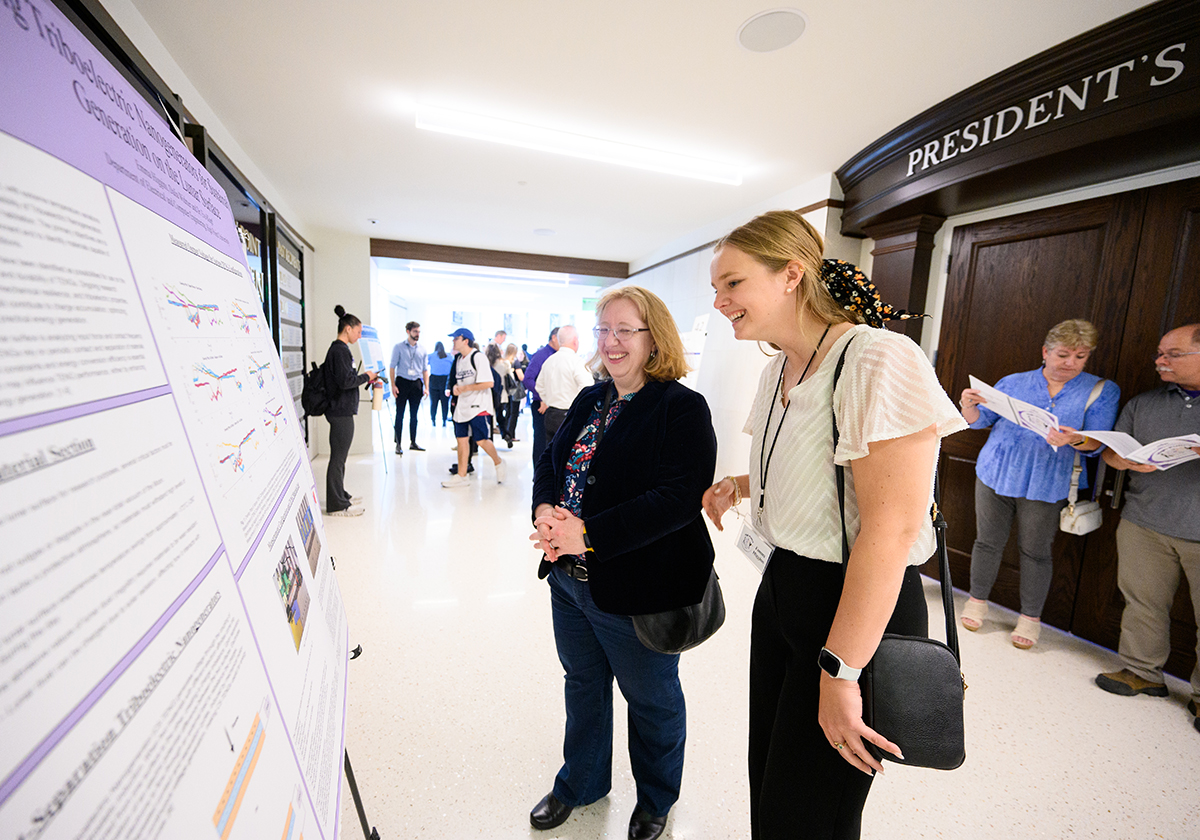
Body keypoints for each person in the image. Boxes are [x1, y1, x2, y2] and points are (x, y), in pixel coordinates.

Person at [701, 211, 965, 840]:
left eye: (732, 284)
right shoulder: (778, 369)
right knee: (769, 783)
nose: (719, 303)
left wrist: (842, 670)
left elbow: (892, 530)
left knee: (812, 813)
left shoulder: (877, 359)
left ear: (791, 274)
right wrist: (742, 486)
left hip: (853, 603)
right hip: (785, 589)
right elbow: (814, 468)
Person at [528, 286, 717, 840]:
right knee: (583, 683)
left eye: (624, 330)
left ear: (653, 336)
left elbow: (677, 499)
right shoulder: (591, 399)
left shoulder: (681, 408)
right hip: (568, 582)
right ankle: (581, 784)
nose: (611, 342)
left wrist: (585, 532)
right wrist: (544, 507)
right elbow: (552, 460)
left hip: (639, 587)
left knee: (652, 698)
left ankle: (656, 799)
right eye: (603, 329)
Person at [957, 319, 1120, 648]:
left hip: (1049, 480)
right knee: (987, 542)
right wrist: (968, 405)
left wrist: (1075, 439)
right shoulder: (1013, 382)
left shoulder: (1102, 390)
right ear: (1045, 352)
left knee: (1035, 551)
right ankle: (976, 602)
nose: (1069, 363)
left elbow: (1098, 443)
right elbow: (980, 423)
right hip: (995, 472)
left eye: (1080, 356)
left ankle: (1030, 618)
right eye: (1062, 354)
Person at [1094, 323, 1200, 734]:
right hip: (1145, 522)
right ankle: (1142, 672)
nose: (1160, 361)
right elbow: (1113, 453)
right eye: (1160, 353)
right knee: (1143, 603)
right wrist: (1125, 461)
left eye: (1171, 354)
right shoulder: (1145, 403)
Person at [324, 305, 379, 516]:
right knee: (337, 459)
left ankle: (341, 495)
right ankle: (336, 505)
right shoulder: (339, 350)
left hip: (343, 410)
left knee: (341, 458)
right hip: (339, 411)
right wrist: (368, 376)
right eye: (358, 331)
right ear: (348, 329)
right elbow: (346, 381)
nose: (359, 336)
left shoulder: (341, 350)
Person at [443, 328, 506, 488]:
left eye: (455, 338)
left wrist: (464, 388)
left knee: (482, 440)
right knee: (461, 439)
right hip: (462, 406)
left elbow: (489, 383)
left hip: (479, 406)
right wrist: (457, 388)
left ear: (465, 340)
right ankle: (462, 475)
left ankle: (498, 462)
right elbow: (458, 380)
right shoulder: (458, 359)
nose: (453, 341)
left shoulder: (478, 357)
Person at [536, 324, 593, 440]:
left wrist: (548, 400)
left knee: (551, 453)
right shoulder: (577, 362)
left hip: (551, 414)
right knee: (567, 455)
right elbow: (588, 389)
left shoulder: (549, 361)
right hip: (569, 416)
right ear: (575, 341)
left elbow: (539, 386)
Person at [389, 321, 428, 454]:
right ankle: (398, 443)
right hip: (402, 382)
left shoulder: (422, 349)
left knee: (414, 415)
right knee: (399, 414)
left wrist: (426, 387)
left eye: (419, 332)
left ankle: (413, 442)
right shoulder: (398, 347)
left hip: (416, 383)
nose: (417, 334)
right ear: (408, 332)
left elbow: (425, 370)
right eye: (415, 331)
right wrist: (393, 385)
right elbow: (392, 366)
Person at [524, 328, 559, 466]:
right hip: (541, 405)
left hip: (554, 406)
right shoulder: (542, 355)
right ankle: (539, 475)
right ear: (554, 338)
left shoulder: (557, 355)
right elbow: (528, 379)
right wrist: (543, 396)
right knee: (541, 441)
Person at [493, 343, 523, 447]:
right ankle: (509, 435)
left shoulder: (499, 363)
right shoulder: (512, 363)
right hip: (509, 392)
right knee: (511, 414)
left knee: (504, 413)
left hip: (498, 392)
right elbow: (518, 377)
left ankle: (504, 433)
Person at [427, 341, 452, 427]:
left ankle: (433, 420)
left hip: (434, 380)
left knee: (433, 402)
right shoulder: (449, 356)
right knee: (445, 403)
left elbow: (424, 366)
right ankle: (444, 420)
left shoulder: (431, 356)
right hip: (445, 381)